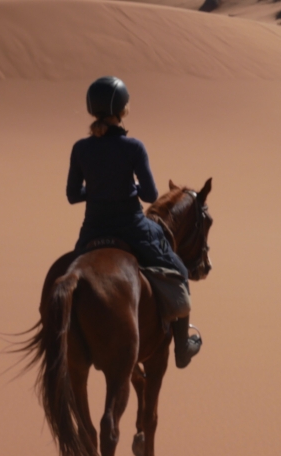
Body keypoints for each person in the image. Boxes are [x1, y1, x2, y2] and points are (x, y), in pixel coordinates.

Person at [66, 76, 201, 368]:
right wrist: (129, 188)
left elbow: (72, 195)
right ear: (122, 109)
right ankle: (182, 347)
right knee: (177, 268)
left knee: (69, 272)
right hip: (132, 226)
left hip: (93, 229)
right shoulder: (133, 147)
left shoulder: (80, 148)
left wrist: (99, 190)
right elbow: (152, 194)